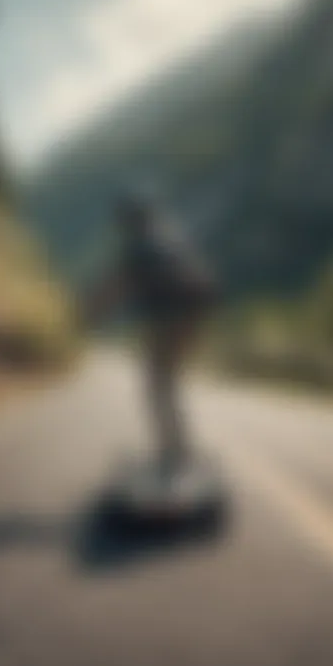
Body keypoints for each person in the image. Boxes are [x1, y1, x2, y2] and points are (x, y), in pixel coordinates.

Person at [85, 191, 220, 477]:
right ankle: (178, 446)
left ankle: (175, 452)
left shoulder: (139, 247)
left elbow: (115, 286)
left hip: (168, 316)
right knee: (167, 382)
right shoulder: (170, 241)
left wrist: (90, 315)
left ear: (129, 221)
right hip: (194, 314)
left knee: (157, 384)